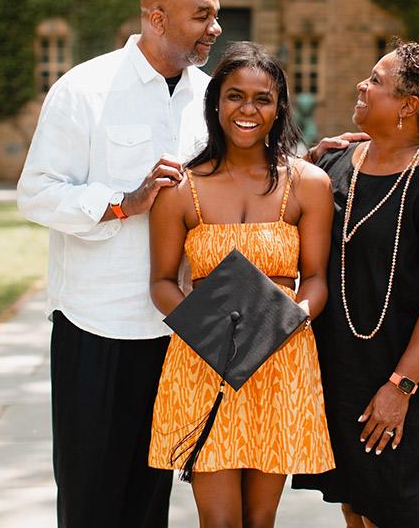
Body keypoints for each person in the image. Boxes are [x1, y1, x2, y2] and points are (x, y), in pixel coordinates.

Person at [16, 0, 222, 528]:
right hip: (96, 325)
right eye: (202, 15)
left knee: (150, 496)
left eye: (217, 16)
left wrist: (310, 162)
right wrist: (120, 203)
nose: (215, 29)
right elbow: (35, 194)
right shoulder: (84, 90)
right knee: (90, 495)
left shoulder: (211, 99)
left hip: (177, 328)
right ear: (156, 18)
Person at [147, 42, 336, 528]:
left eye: (263, 98)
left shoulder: (308, 184)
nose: (248, 109)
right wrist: (212, 337)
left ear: (279, 108)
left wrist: (287, 323)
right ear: (215, 103)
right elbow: (163, 283)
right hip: (205, 360)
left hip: (280, 358)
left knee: (260, 520)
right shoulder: (181, 189)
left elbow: (315, 279)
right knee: (221, 521)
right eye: (235, 96)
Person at [293, 41, 419, 528]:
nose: (362, 84)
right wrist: (309, 162)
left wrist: (400, 387)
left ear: (408, 106)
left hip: (404, 376)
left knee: (396, 512)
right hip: (341, 370)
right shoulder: (334, 167)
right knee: (354, 507)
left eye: (376, 80)